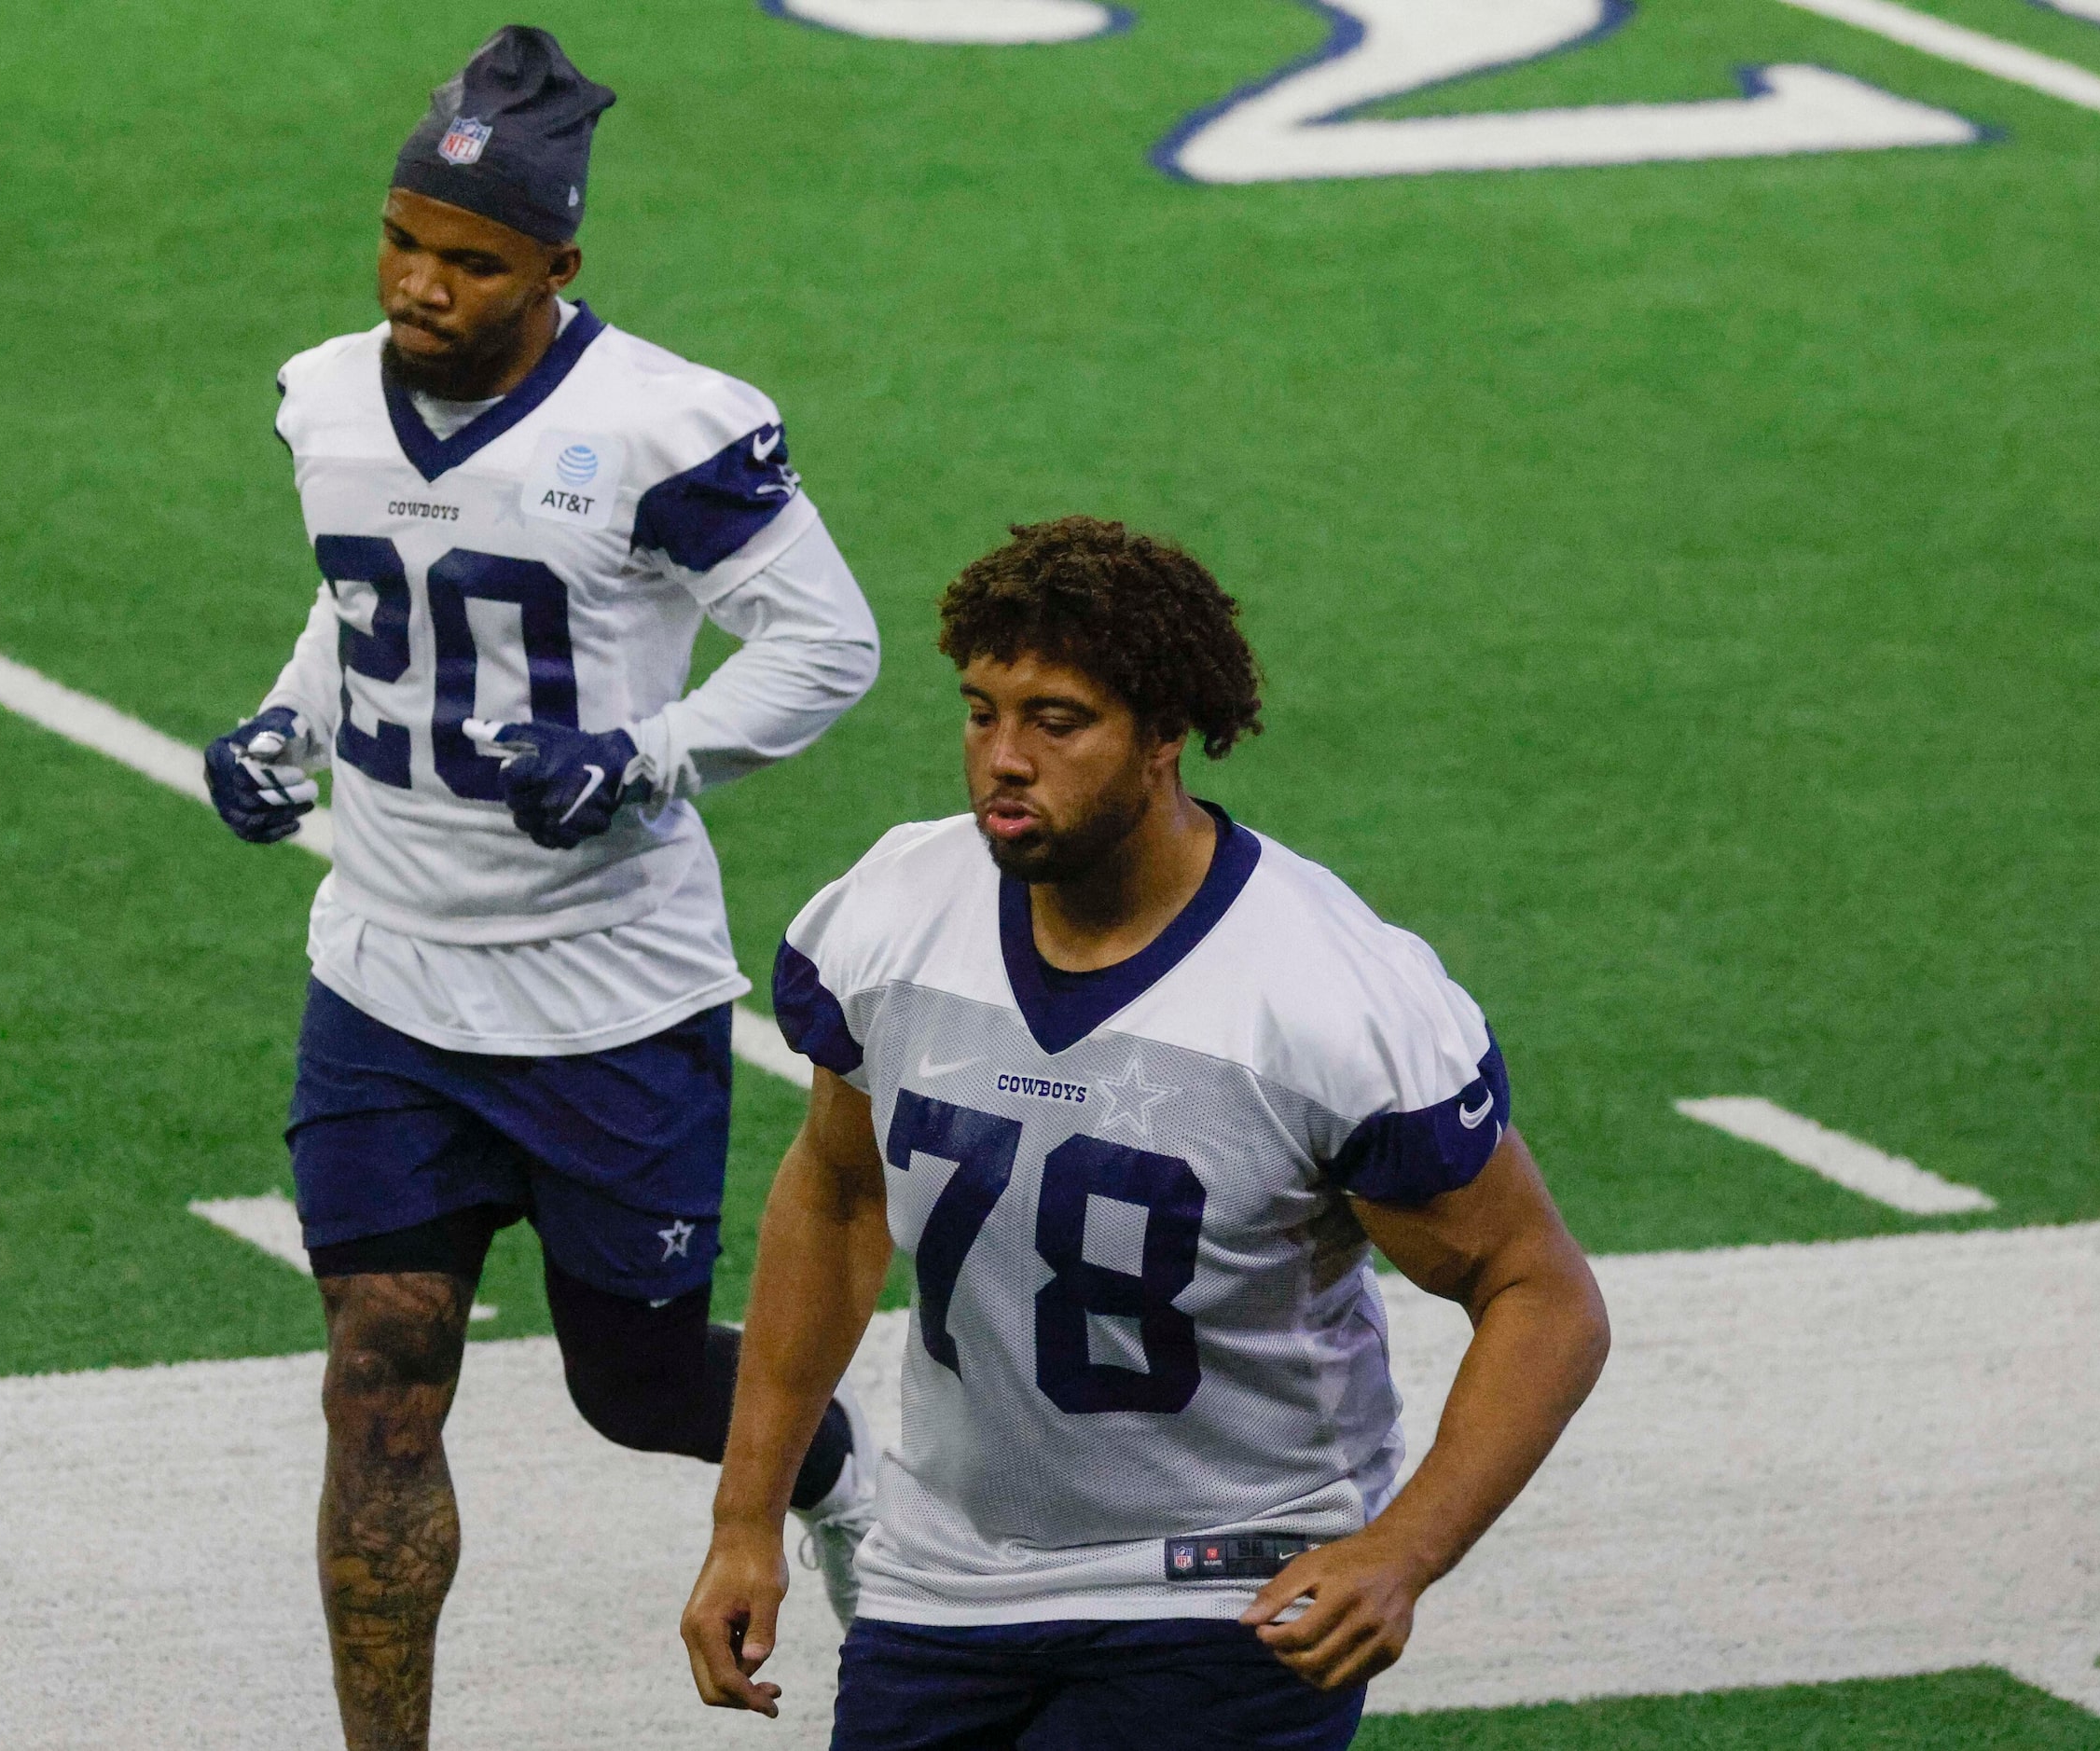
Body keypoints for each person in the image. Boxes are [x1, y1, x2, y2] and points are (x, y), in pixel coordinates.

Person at [200, 26, 883, 1749]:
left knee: (636, 1383)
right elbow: (364, 600)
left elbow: (831, 645)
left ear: (558, 267)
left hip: (604, 990)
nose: (422, 286)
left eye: (471, 260)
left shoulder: (666, 424)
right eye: (404, 241)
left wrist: (648, 754)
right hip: (387, 978)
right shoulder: (321, 394)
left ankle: (845, 1476)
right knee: (378, 1379)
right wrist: (285, 723)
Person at [681, 517, 1610, 1748]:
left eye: (1056, 721)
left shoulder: (1330, 996)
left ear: (1167, 733)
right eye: (980, 710)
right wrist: (746, 1515)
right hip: (945, 1574)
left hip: (1229, 1577)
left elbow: (1540, 1292)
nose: (1002, 758)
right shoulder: (893, 914)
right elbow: (841, 1196)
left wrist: (1404, 1547)